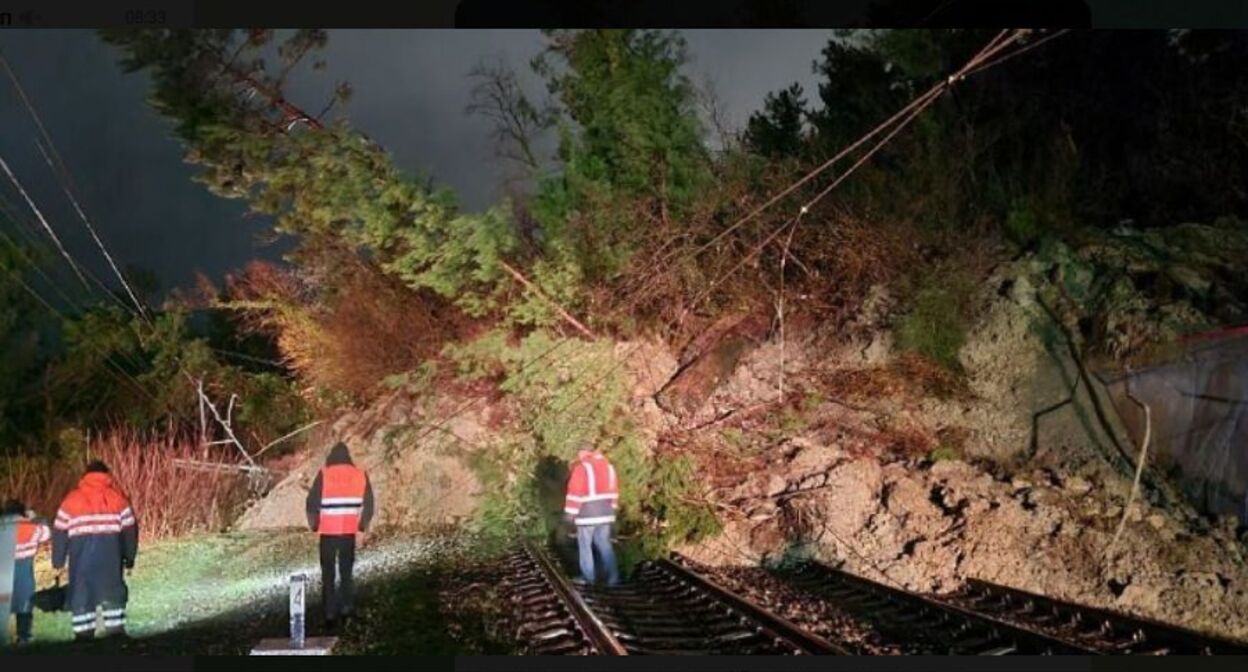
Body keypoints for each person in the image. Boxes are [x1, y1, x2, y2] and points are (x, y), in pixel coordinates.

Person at [51, 461, 138, 640]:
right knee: (112, 590)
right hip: (110, 557)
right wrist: (129, 558)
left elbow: (59, 531)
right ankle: (115, 631)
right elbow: (130, 530)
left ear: (85, 476)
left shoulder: (71, 500)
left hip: (81, 559)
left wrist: (58, 561)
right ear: (107, 475)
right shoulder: (118, 499)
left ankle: (83, 633)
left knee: (82, 593)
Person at [305, 442, 374, 630]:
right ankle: (347, 609)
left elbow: (311, 502)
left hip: (328, 532)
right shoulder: (360, 475)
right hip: (348, 533)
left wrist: (314, 524)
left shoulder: (324, 474)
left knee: (328, 574)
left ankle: (329, 614)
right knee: (346, 572)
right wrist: (361, 526)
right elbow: (369, 504)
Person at [563, 443, 619, 586]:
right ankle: (613, 578)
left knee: (585, 545)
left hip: (587, 514)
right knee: (605, 544)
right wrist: (612, 510)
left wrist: (570, 514)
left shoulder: (582, 468)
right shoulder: (609, 467)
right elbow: (614, 491)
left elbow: (575, 492)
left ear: (583, 453)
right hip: (606, 513)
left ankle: (588, 577)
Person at [6, 499, 50, 644]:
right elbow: (46, 534)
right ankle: (24, 636)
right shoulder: (31, 528)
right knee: (24, 604)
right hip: (24, 575)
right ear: (22, 513)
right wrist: (35, 518)